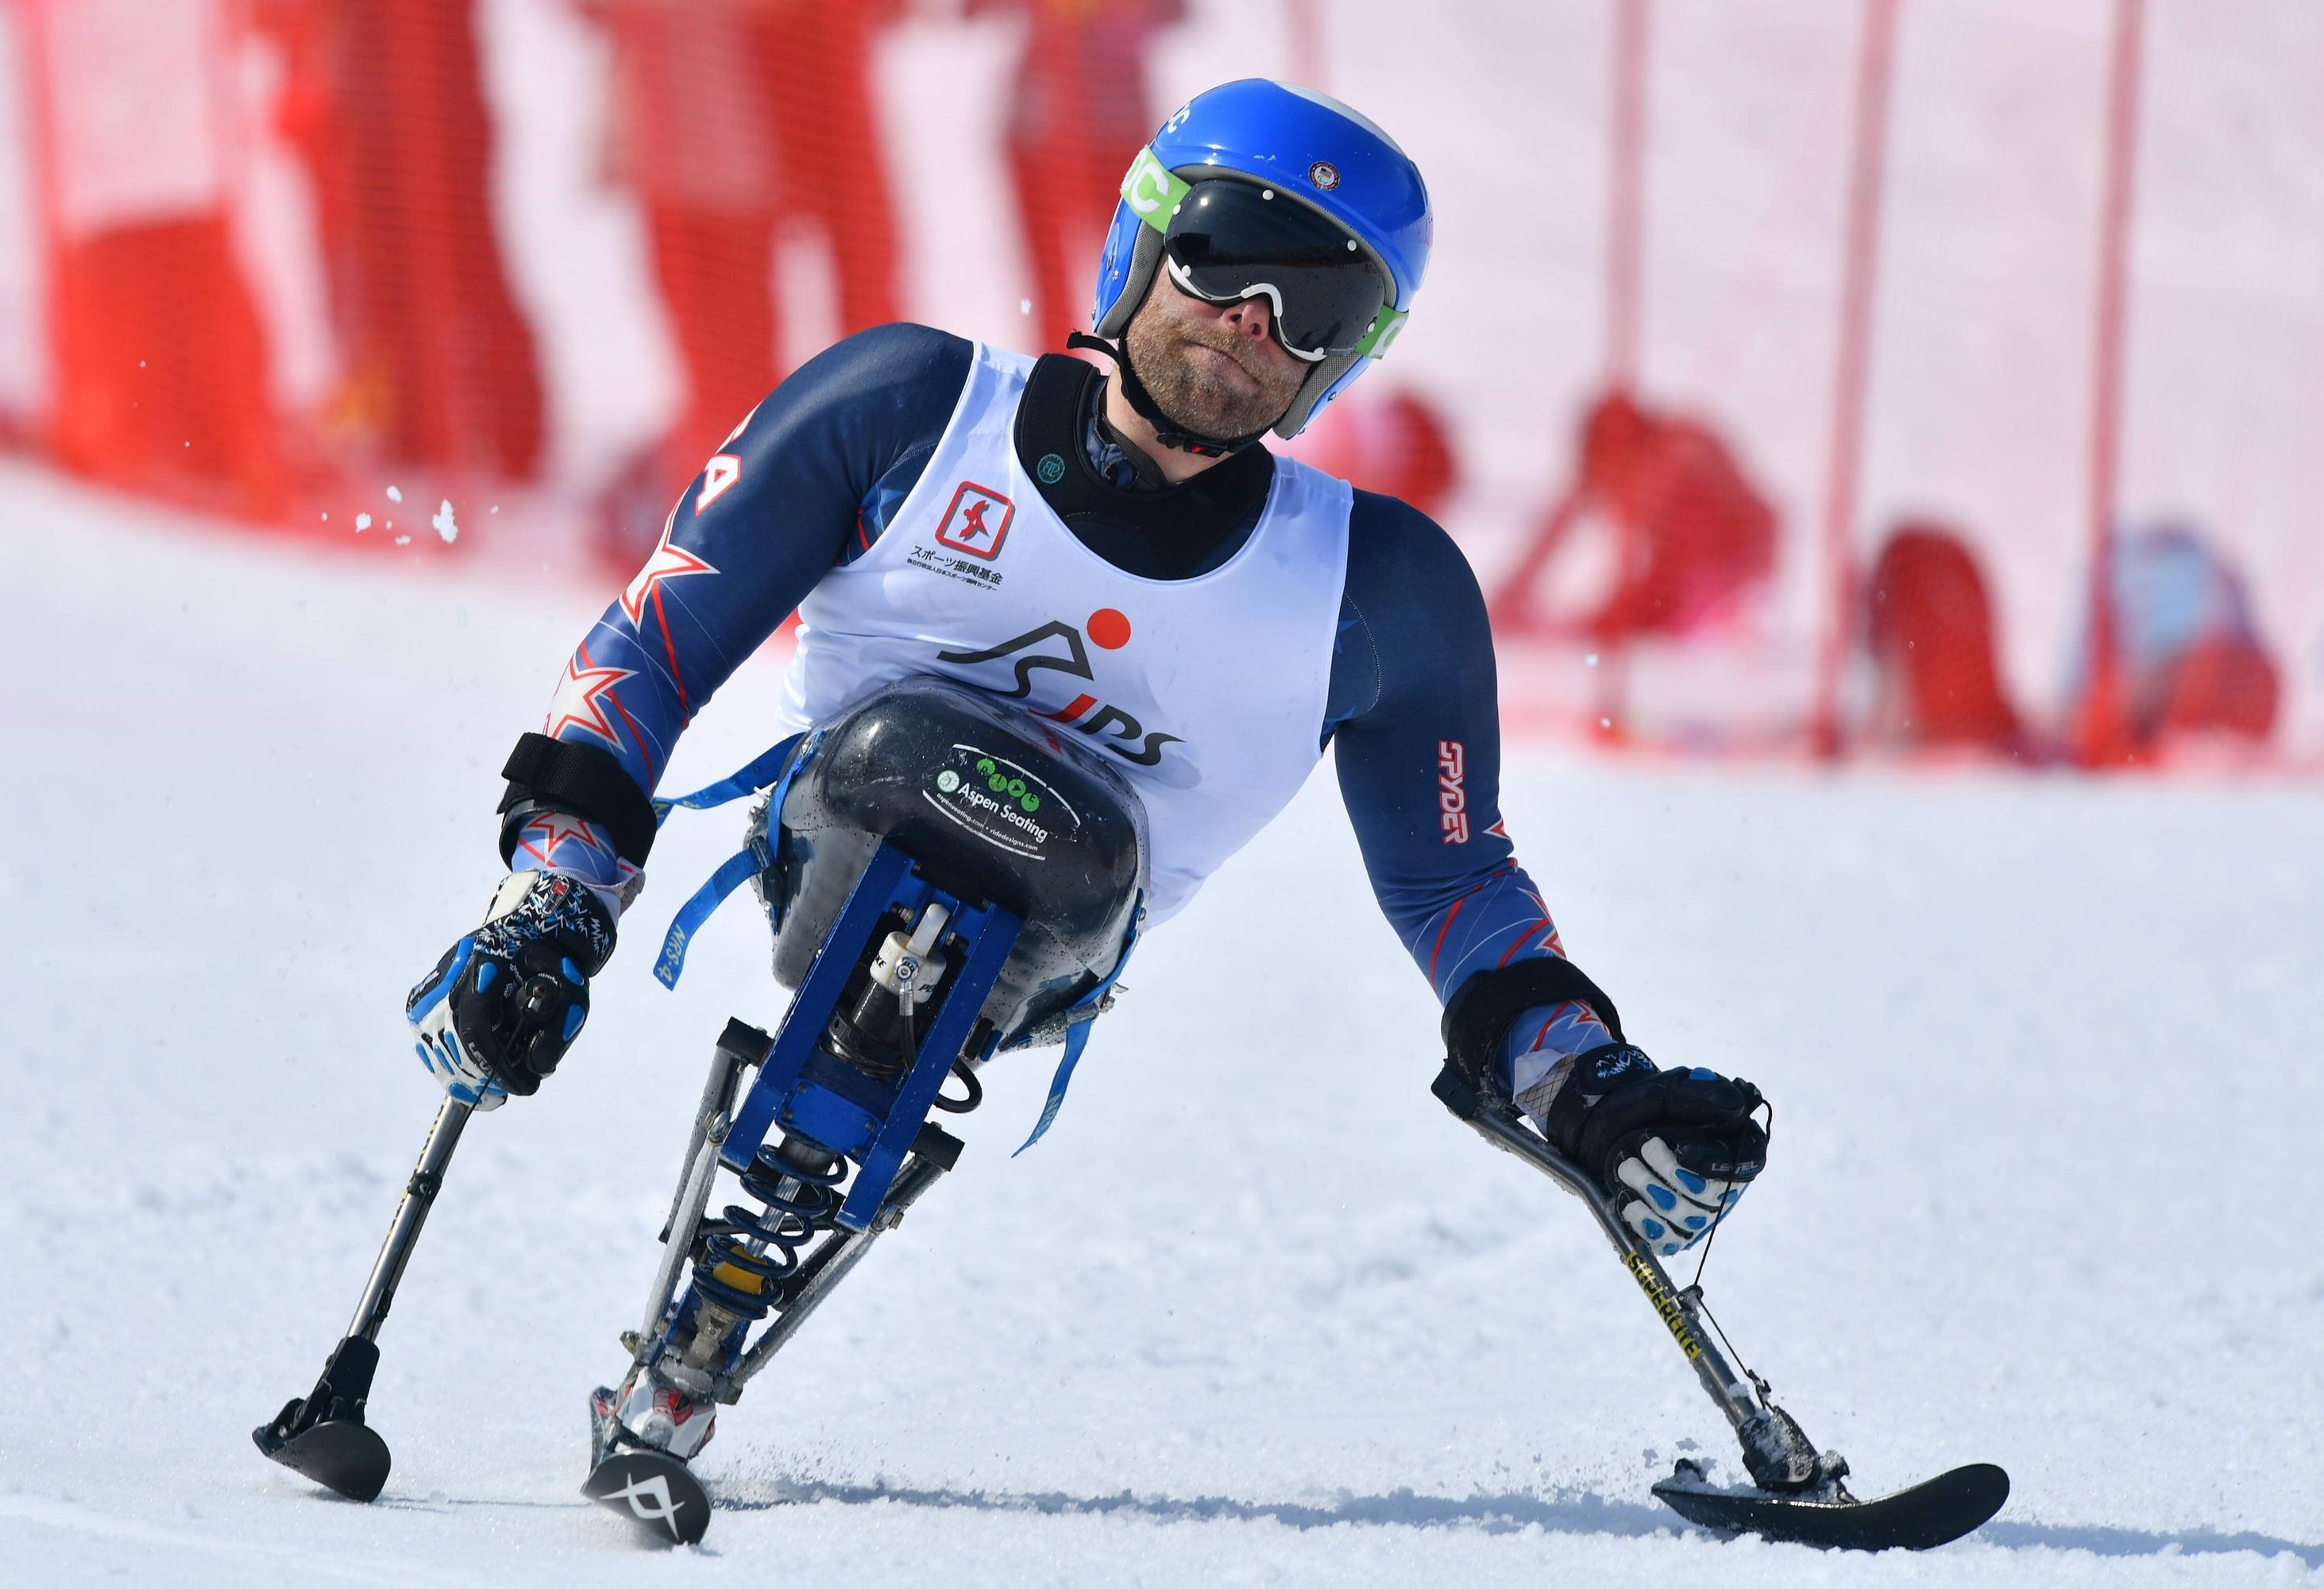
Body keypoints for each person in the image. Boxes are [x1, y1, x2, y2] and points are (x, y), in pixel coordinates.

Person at [406, 80, 1770, 1467]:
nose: (1255, 321)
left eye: (1318, 304)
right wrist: (554, 896)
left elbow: (1454, 879)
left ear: (1353, 356)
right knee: (901, 755)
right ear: (1142, 241)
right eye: (1229, 253)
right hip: (834, 833)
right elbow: (653, 643)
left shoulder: (1382, 587)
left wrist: (1584, 1080)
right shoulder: (911, 407)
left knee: (1064, 848)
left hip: (1063, 934)